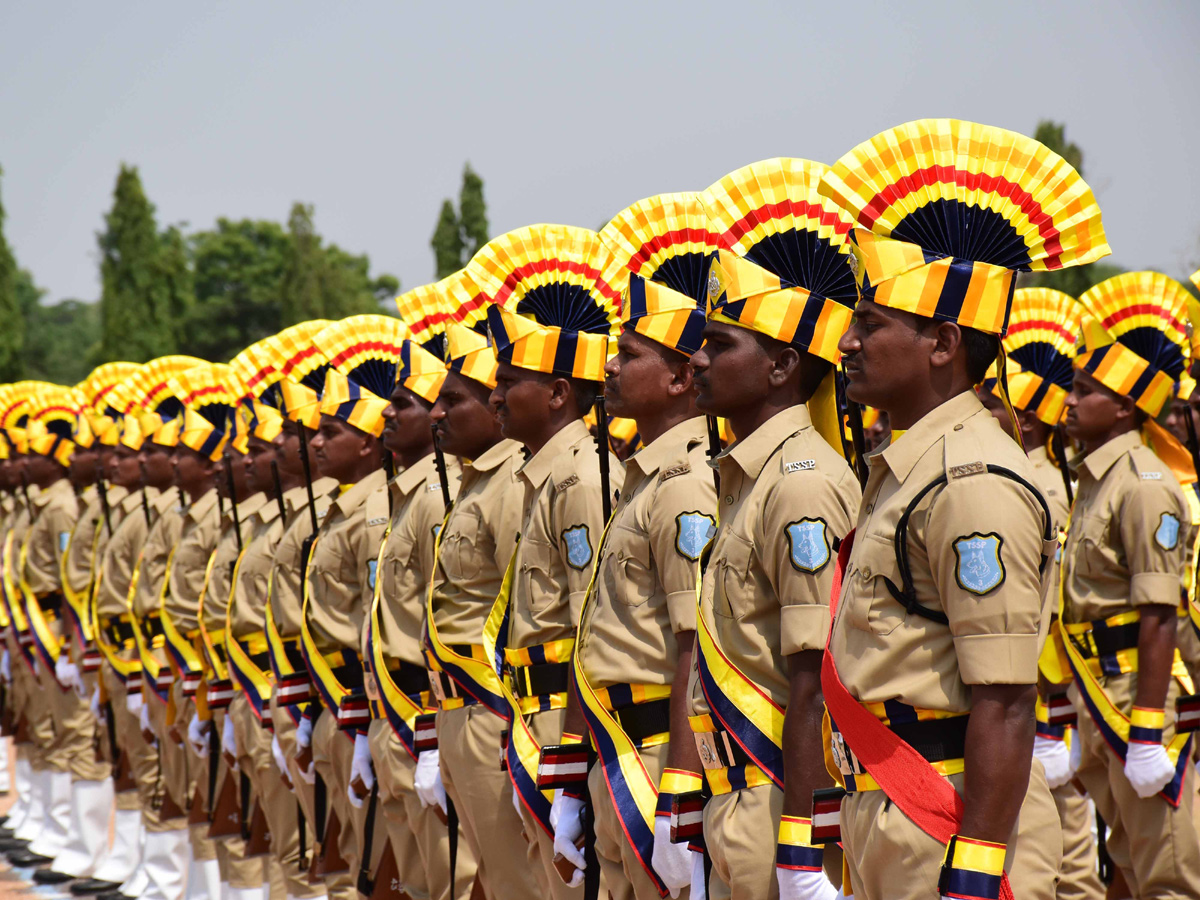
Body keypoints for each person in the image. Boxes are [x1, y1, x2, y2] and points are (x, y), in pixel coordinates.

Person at [815, 118, 1112, 900]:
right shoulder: (908, 468)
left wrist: (975, 870)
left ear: (944, 343)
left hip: (948, 816)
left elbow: (1007, 699)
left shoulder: (973, 482)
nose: (846, 344)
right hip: (890, 813)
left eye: (871, 325)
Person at [682, 158, 863, 900]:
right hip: (736, 794)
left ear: (784, 364)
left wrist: (802, 849)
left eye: (721, 345)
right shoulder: (748, 478)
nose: (697, 358)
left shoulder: (801, 486)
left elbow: (813, 682)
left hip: (774, 797)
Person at [566, 192, 720, 900]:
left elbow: (694, 643)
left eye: (627, 355)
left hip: (658, 754)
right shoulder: (643, 477)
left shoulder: (686, 483)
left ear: (681, 377)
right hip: (618, 746)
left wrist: (683, 792)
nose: (608, 369)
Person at [466, 223, 625, 899]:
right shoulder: (545, 478)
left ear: (560, 393)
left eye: (510, 382)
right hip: (531, 724)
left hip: (564, 729)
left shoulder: (585, 479)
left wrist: (569, 764)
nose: (494, 395)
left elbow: (591, 631)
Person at [1061, 271, 1200, 897]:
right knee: (1125, 862)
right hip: (1096, 695)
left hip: (1133, 696)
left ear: (1124, 407)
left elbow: (1159, 614)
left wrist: (1147, 728)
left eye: (1084, 391)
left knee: (1169, 875)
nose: (1067, 401)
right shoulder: (1095, 480)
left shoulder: (1143, 485)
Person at [422, 268, 537, 900]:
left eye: (454, 401)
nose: (438, 413)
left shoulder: (514, 484)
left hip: (494, 708)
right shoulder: (475, 482)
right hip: (459, 710)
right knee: (492, 879)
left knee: (519, 883)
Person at [364, 281, 478, 900]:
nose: (391, 412)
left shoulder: (439, 494)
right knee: (419, 880)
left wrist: (430, 733)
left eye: (403, 402)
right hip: (399, 714)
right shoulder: (410, 494)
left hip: (429, 712)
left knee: (455, 880)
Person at [298, 315, 404, 897]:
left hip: (372, 702)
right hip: (342, 701)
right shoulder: (348, 508)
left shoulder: (375, 512)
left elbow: (375, 618)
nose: (314, 443)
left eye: (329, 432)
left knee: (384, 864)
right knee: (350, 854)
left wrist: (362, 718)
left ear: (365, 443)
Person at [225, 338, 329, 900]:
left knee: (322, 852)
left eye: (279, 439)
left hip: (322, 693)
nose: (244, 458)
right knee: (283, 838)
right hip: (273, 687)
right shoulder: (279, 520)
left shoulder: (329, 515)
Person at [12, 385, 85, 869]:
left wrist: (59, 641)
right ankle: (44, 823)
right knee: (41, 724)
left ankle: (65, 833)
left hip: (52, 626)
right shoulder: (41, 502)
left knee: (69, 731)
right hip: (30, 623)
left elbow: (62, 577)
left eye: (31, 454)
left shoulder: (59, 506)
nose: (20, 463)